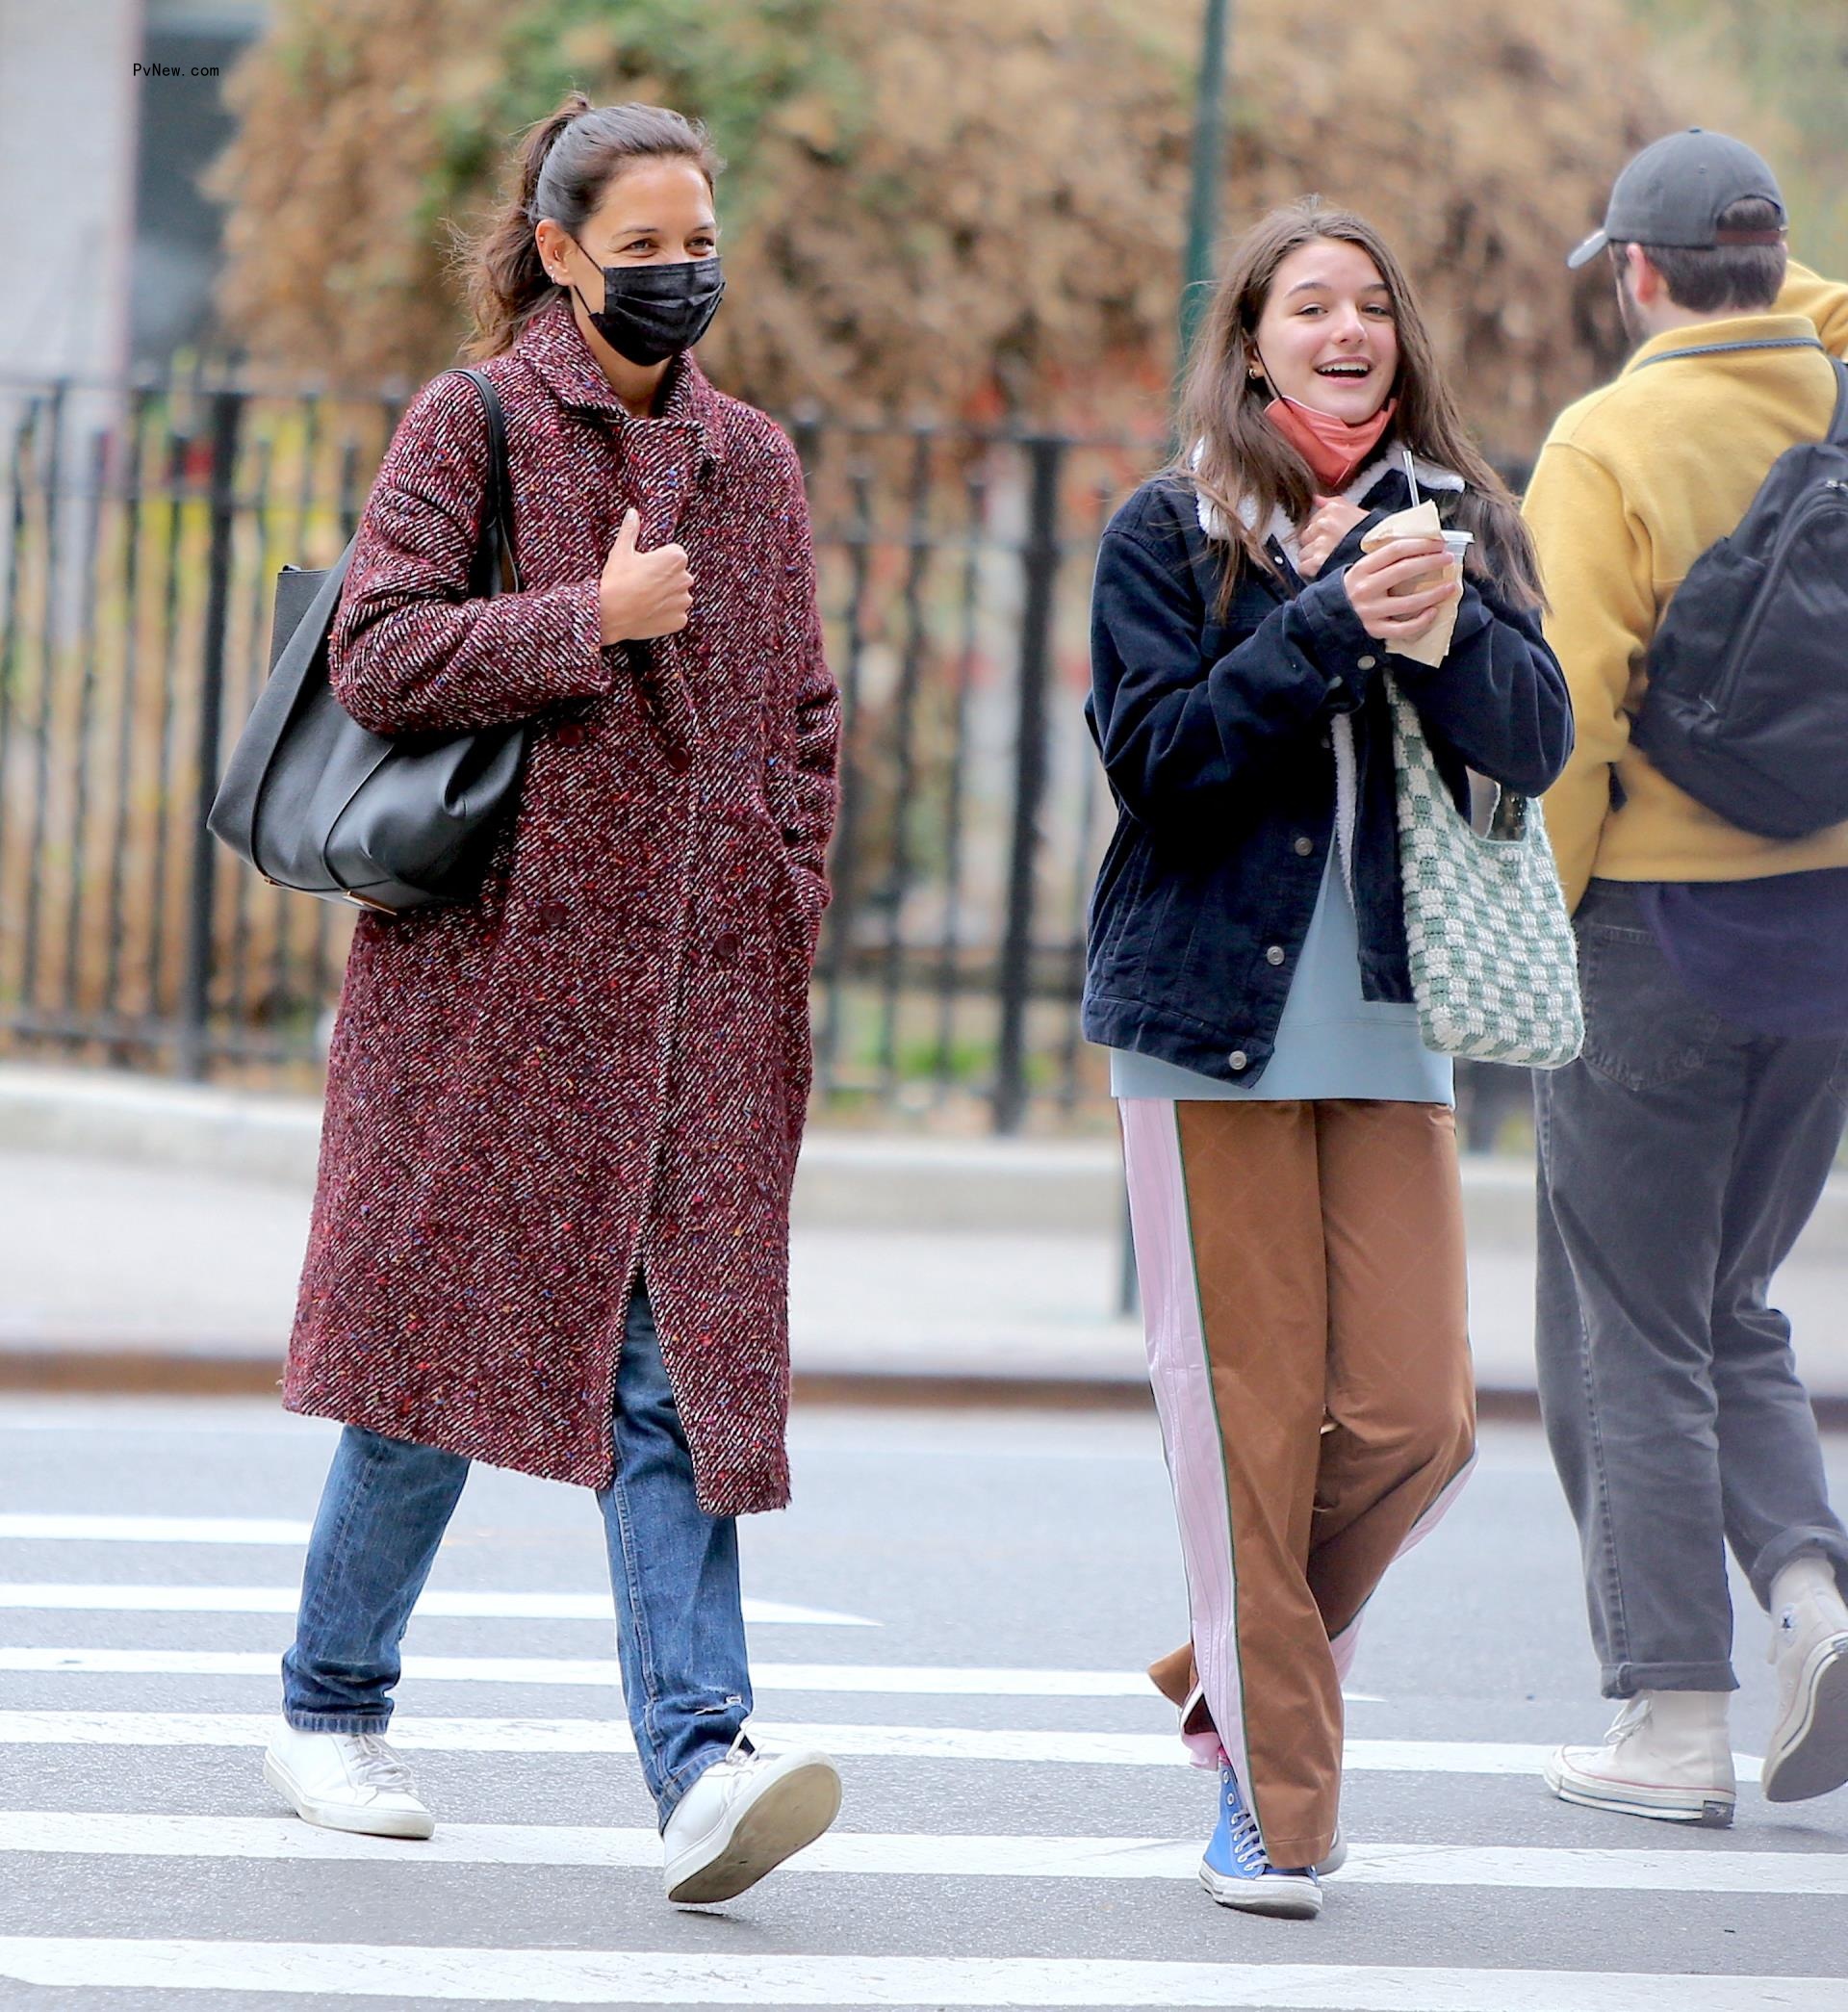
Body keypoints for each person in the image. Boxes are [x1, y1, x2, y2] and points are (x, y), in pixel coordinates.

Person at [260, 95, 845, 1907]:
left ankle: (701, 1764)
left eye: (702, 236)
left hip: (694, 1008)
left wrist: (786, 887)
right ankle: (326, 1702)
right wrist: (585, 620)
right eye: (647, 243)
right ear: (565, 248)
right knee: (432, 1368)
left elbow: (803, 714)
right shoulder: (477, 420)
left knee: (669, 1380)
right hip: (495, 997)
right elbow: (374, 646)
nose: (685, 270)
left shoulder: (754, 460)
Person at [1084, 198, 1572, 1918]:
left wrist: (1442, 634)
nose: (1347, 327)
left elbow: (1540, 739)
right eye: (1311, 305)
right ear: (1252, 342)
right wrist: (1330, 624)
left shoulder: (1461, 520)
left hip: (1391, 1025)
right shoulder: (1167, 532)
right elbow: (1165, 765)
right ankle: (1273, 1808)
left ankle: (1232, 1653)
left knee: (1419, 1416)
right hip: (1204, 1029)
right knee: (1248, 1420)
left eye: (1371, 302)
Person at [1526, 128, 1848, 1826]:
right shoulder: (1837, 396)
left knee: (1627, 1326)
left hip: (1655, 934)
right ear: (1774, 261)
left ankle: (1671, 1716)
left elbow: (1569, 718)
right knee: (1732, 1303)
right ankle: (1812, 1601)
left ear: (1637, 274)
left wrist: (1540, 933)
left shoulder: (1610, 439)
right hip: (1829, 942)